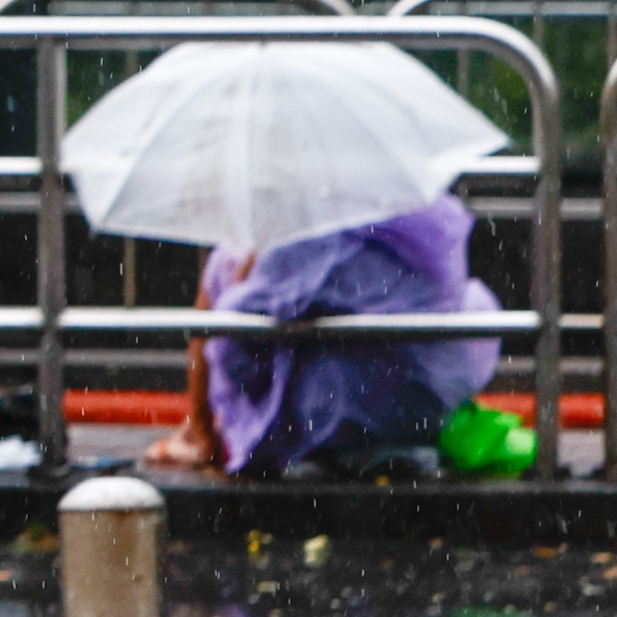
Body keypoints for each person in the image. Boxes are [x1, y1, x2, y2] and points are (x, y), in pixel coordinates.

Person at [143, 195, 502, 478]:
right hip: (427, 408)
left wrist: (246, 271)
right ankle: (200, 428)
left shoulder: (309, 233)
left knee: (225, 272)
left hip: (344, 415)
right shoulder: (421, 212)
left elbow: (234, 342)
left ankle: (200, 432)